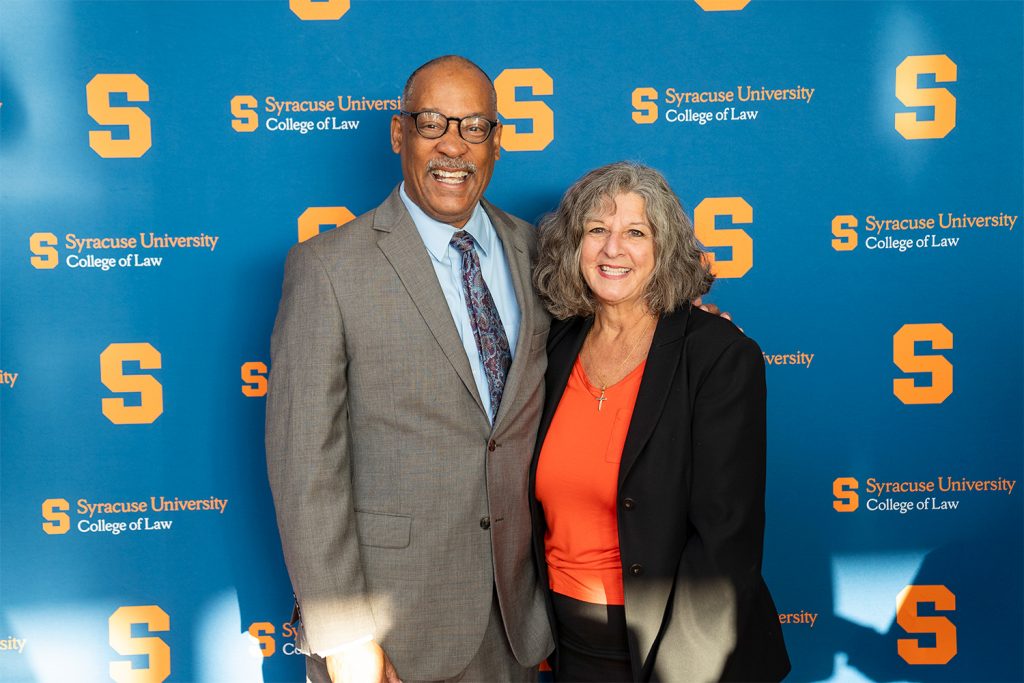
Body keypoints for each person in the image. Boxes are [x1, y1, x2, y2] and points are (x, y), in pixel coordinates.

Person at [265, 55, 552, 683]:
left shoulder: (537, 253)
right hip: (392, 634)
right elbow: (304, 470)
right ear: (399, 134)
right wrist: (344, 639)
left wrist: (691, 320)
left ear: (496, 142)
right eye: (432, 123)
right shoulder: (327, 269)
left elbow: (613, 325)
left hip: (518, 622)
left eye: (474, 126)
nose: (454, 145)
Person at [529, 162, 790, 682]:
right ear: (572, 246)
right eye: (596, 230)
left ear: (664, 247)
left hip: (682, 652)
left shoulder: (716, 355)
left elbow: (726, 541)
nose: (612, 249)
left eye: (635, 233)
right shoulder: (554, 346)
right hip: (570, 647)